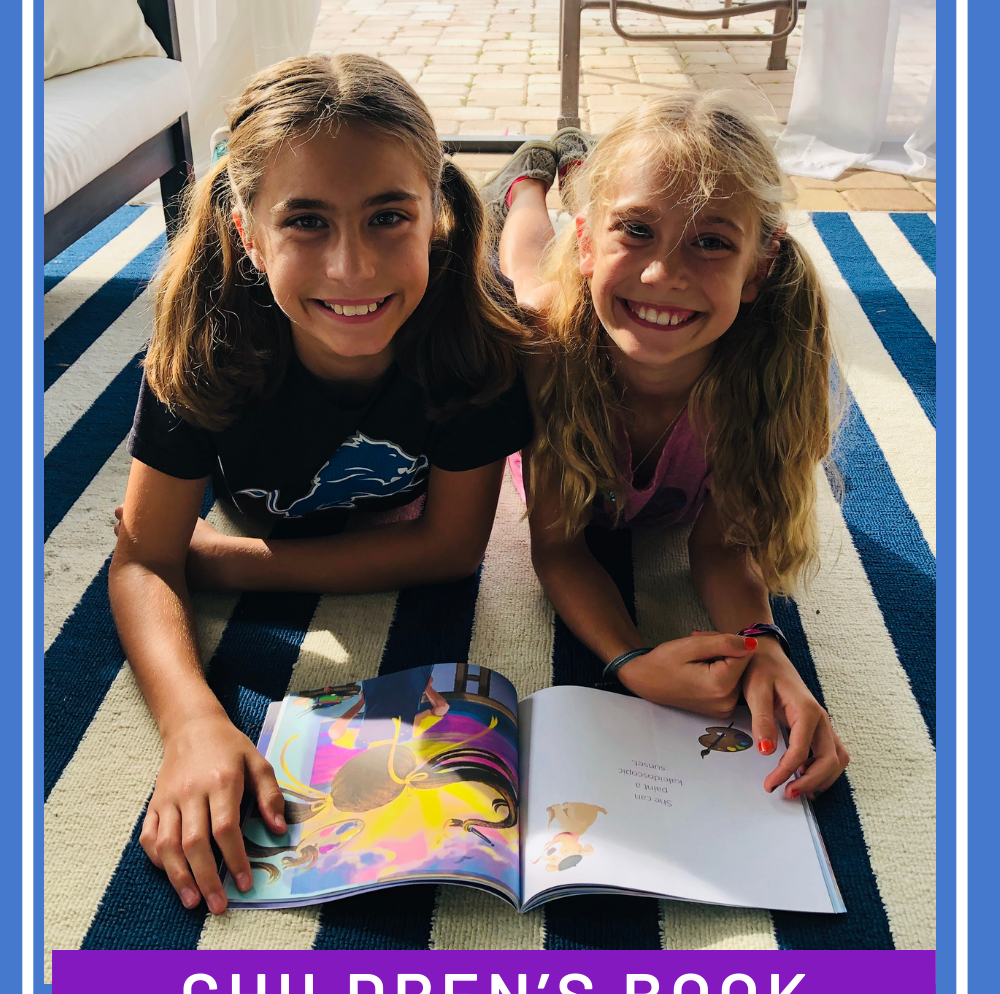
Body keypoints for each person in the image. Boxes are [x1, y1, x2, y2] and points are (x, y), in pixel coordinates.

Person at [110, 54, 533, 914]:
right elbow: (142, 563)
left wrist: (223, 561)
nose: (352, 268)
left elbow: (451, 550)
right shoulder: (206, 335)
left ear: (433, 219)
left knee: (545, 281)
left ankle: (529, 187)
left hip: (482, 294)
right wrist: (193, 721)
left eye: (389, 217)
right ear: (247, 234)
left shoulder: (475, 331)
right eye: (305, 222)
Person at [484, 94, 849, 801]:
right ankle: (529, 185)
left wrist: (763, 644)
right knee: (527, 276)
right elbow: (561, 548)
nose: (663, 276)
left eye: (711, 242)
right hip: (553, 307)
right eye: (637, 232)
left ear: (760, 265)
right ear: (588, 244)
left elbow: (720, 546)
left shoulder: (761, 377)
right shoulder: (550, 355)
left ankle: (586, 180)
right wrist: (630, 658)